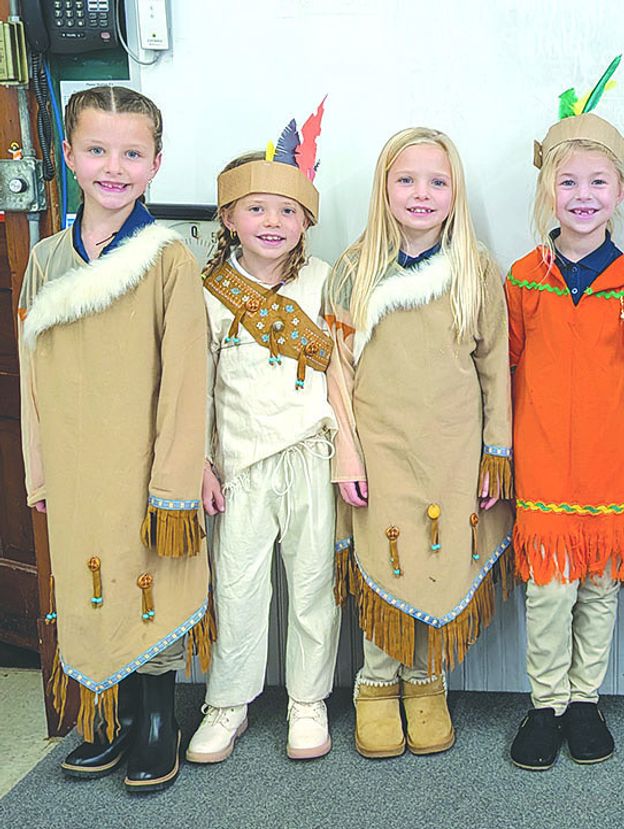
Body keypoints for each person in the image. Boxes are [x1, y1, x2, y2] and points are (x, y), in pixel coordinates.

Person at [18, 85, 211, 792]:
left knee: (148, 579)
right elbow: (32, 377)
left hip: (143, 460)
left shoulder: (169, 259)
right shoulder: (46, 260)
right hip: (76, 465)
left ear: (155, 163)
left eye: (132, 153)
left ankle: (158, 718)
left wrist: (174, 483)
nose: (114, 167)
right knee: (91, 584)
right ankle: (116, 715)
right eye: (97, 149)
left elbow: (187, 378)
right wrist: (40, 471)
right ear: (69, 155)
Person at [506, 57, 624, 771]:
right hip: (544, 459)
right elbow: (507, 363)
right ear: (548, 190)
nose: (582, 196)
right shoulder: (523, 279)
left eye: (597, 182)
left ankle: (584, 700)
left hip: (615, 461)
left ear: (620, 191)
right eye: (568, 182)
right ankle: (545, 703)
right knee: (549, 593)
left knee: (601, 589)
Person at [326, 126, 513, 759]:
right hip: (379, 449)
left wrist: (497, 454)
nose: (421, 193)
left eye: (437, 181)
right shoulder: (353, 269)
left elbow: (495, 370)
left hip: (453, 450)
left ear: (455, 192)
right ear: (384, 188)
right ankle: (378, 681)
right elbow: (337, 371)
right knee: (386, 555)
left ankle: (426, 676)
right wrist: (346, 452)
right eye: (406, 180)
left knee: (439, 557)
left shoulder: (476, 270)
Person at [186, 102, 341, 765]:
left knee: (312, 587)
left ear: (306, 219)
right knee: (239, 588)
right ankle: (228, 702)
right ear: (228, 218)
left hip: (310, 457)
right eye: (256, 209)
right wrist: (200, 462)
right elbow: (195, 386)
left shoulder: (325, 281)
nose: (272, 222)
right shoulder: (209, 291)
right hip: (241, 465)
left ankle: (308, 700)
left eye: (286, 210)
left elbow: (344, 377)